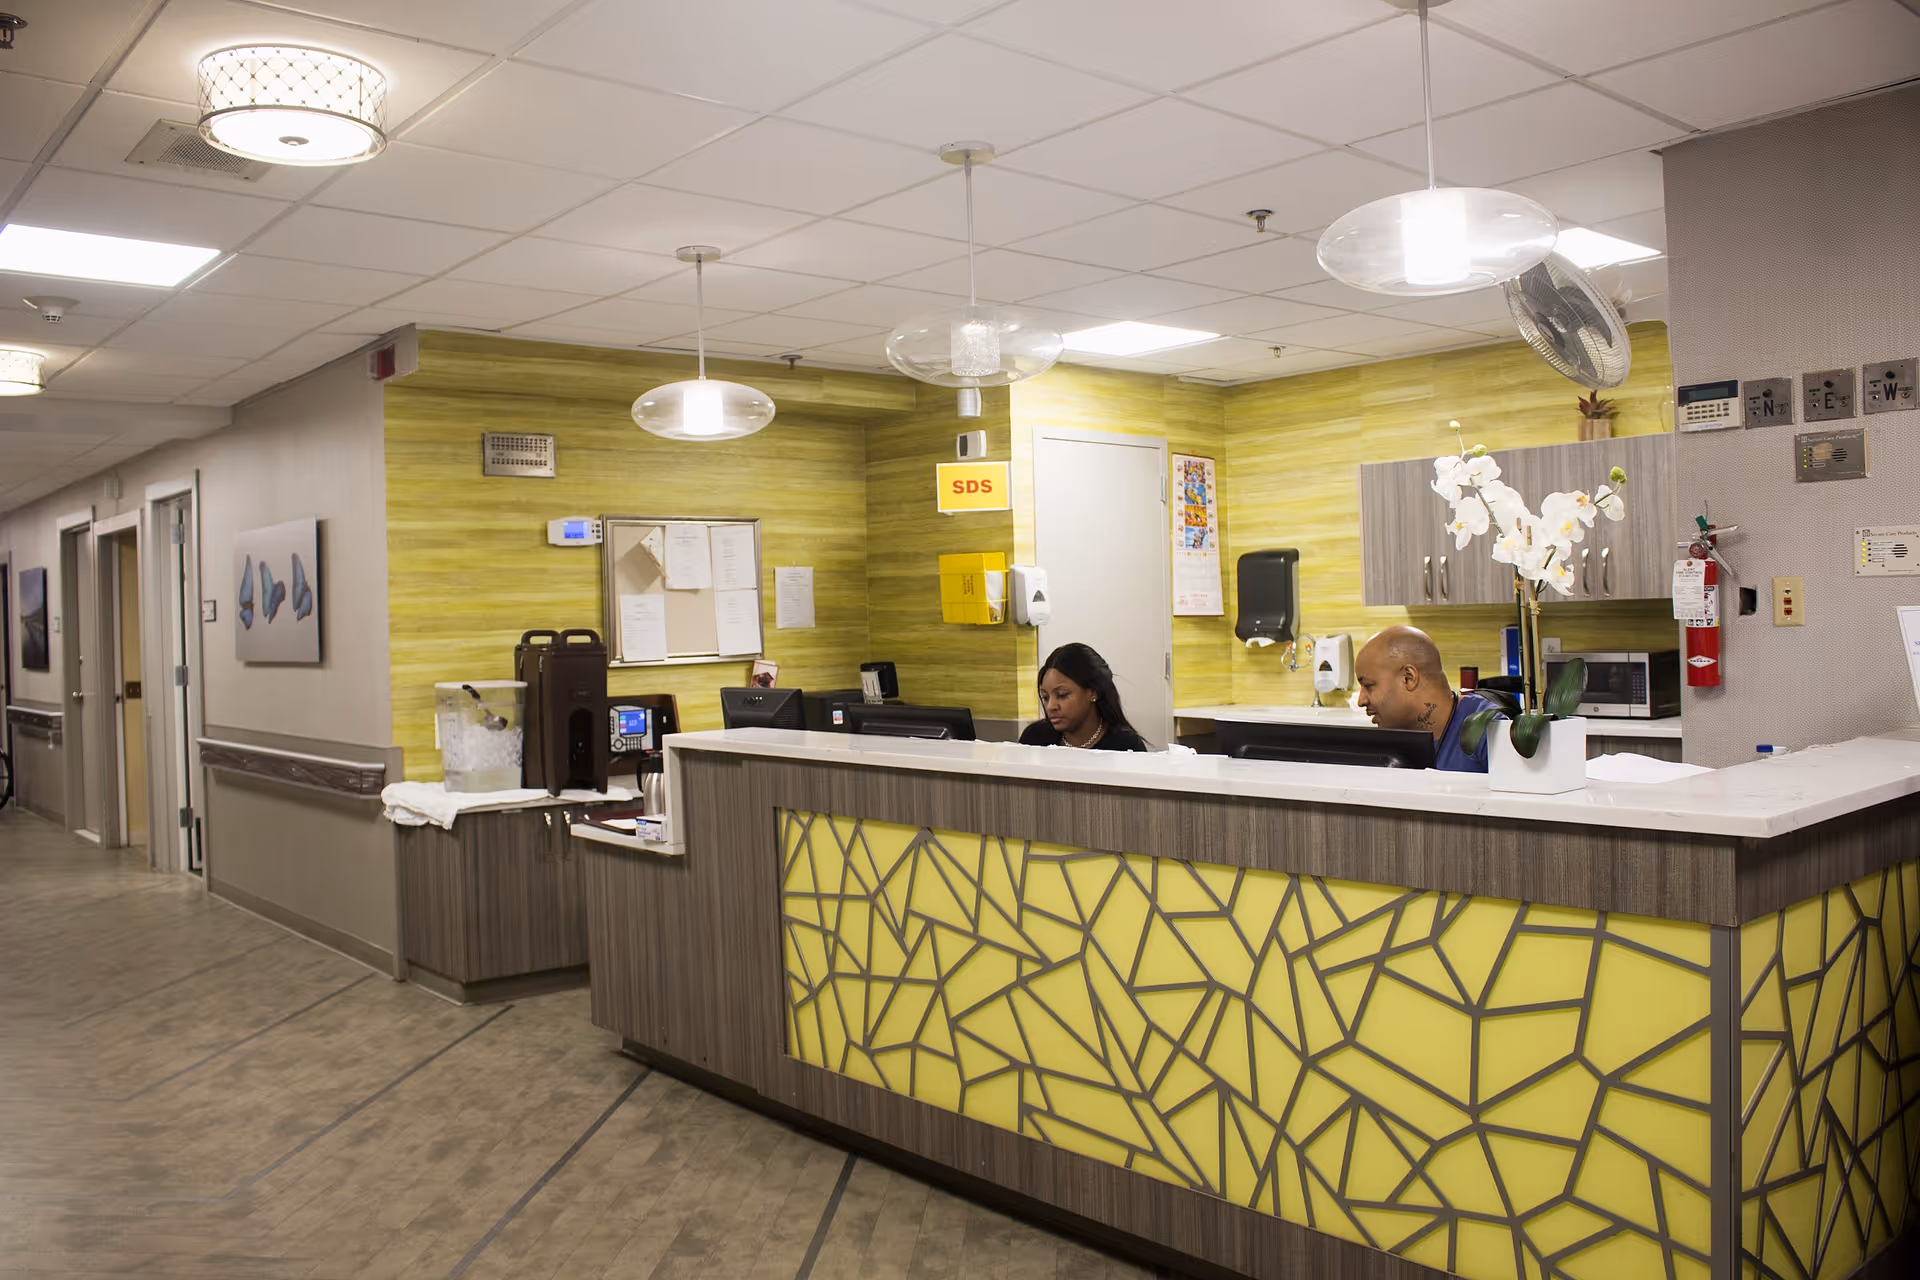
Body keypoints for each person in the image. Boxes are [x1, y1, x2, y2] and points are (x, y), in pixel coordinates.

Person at [1353, 626, 1497, 773]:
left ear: (1408, 678)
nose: (1361, 701)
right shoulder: (1396, 737)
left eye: (1368, 685)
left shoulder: (1490, 728)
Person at [1019, 643, 1149, 752]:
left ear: (1093, 693)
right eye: (1045, 697)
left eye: (1062, 695)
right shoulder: (1035, 738)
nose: (1051, 706)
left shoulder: (1125, 745)